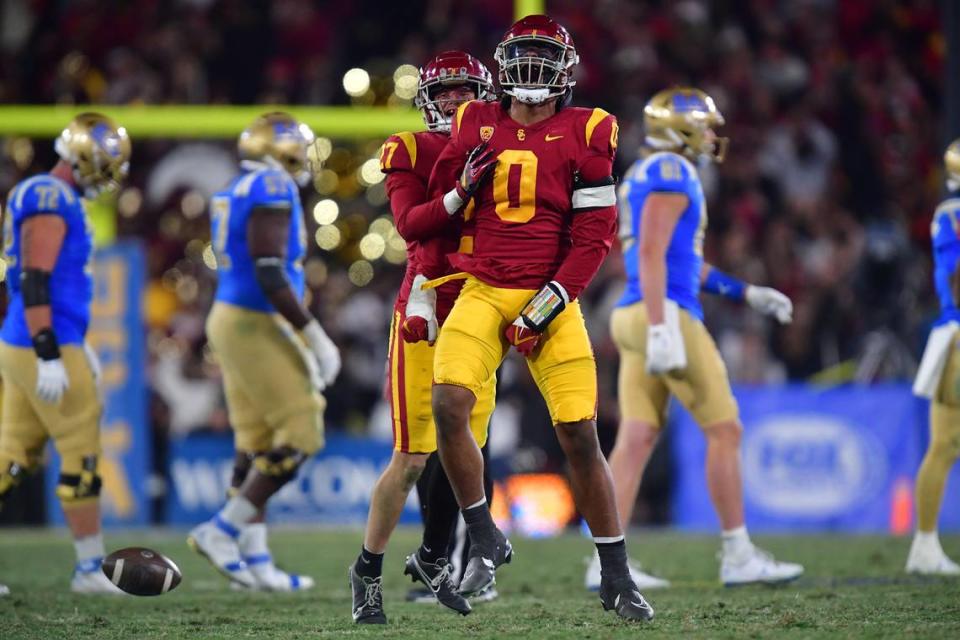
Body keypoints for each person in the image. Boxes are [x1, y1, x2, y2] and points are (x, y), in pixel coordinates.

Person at [414, 14, 653, 622]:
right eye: (523, 54)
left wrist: (547, 306)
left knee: (579, 435)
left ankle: (617, 575)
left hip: (550, 293)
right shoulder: (474, 121)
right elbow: (437, 212)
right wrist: (426, 282)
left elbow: (595, 237)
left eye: (544, 56)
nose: (532, 68)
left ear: (566, 70)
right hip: (484, 287)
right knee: (447, 405)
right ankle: (483, 533)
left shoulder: (589, 129)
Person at [610, 87, 803, 587]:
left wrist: (745, 293)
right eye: (705, 126)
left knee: (635, 439)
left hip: (634, 308)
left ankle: (605, 561)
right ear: (678, 129)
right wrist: (660, 325)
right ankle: (738, 554)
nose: (713, 135)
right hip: (662, 312)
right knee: (725, 431)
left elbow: (678, 261)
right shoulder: (673, 171)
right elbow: (652, 253)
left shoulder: (643, 171)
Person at [349, 50, 497, 624]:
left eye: (466, 92)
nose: (455, 101)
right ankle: (366, 570)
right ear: (427, 99)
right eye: (447, 92)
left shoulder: (504, 145)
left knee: (463, 453)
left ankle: (434, 556)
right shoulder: (408, 148)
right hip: (427, 307)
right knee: (412, 457)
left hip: (483, 309)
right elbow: (411, 224)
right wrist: (460, 192)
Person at [187, 112, 340, 591]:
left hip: (232, 315)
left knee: (255, 439)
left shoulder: (236, 187)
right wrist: (314, 334)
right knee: (302, 428)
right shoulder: (272, 186)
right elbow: (270, 269)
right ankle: (223, 529)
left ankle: (254, 560)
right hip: (254, 320)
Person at [0, 113, 131, 594]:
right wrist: (49, 350)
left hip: (35, 338)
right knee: (81, 447)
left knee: (12, 455)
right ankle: (88, 569)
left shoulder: (55, 195)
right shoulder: (49, 194)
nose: (110, 172)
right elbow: (35, 278)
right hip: (39, 339)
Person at [907, 138, 960, 576]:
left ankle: (924, 547)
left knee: (944, 444)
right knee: (944, 444)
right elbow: (956, 280)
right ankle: (924, 546)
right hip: (957, 335)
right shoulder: (951, 214)